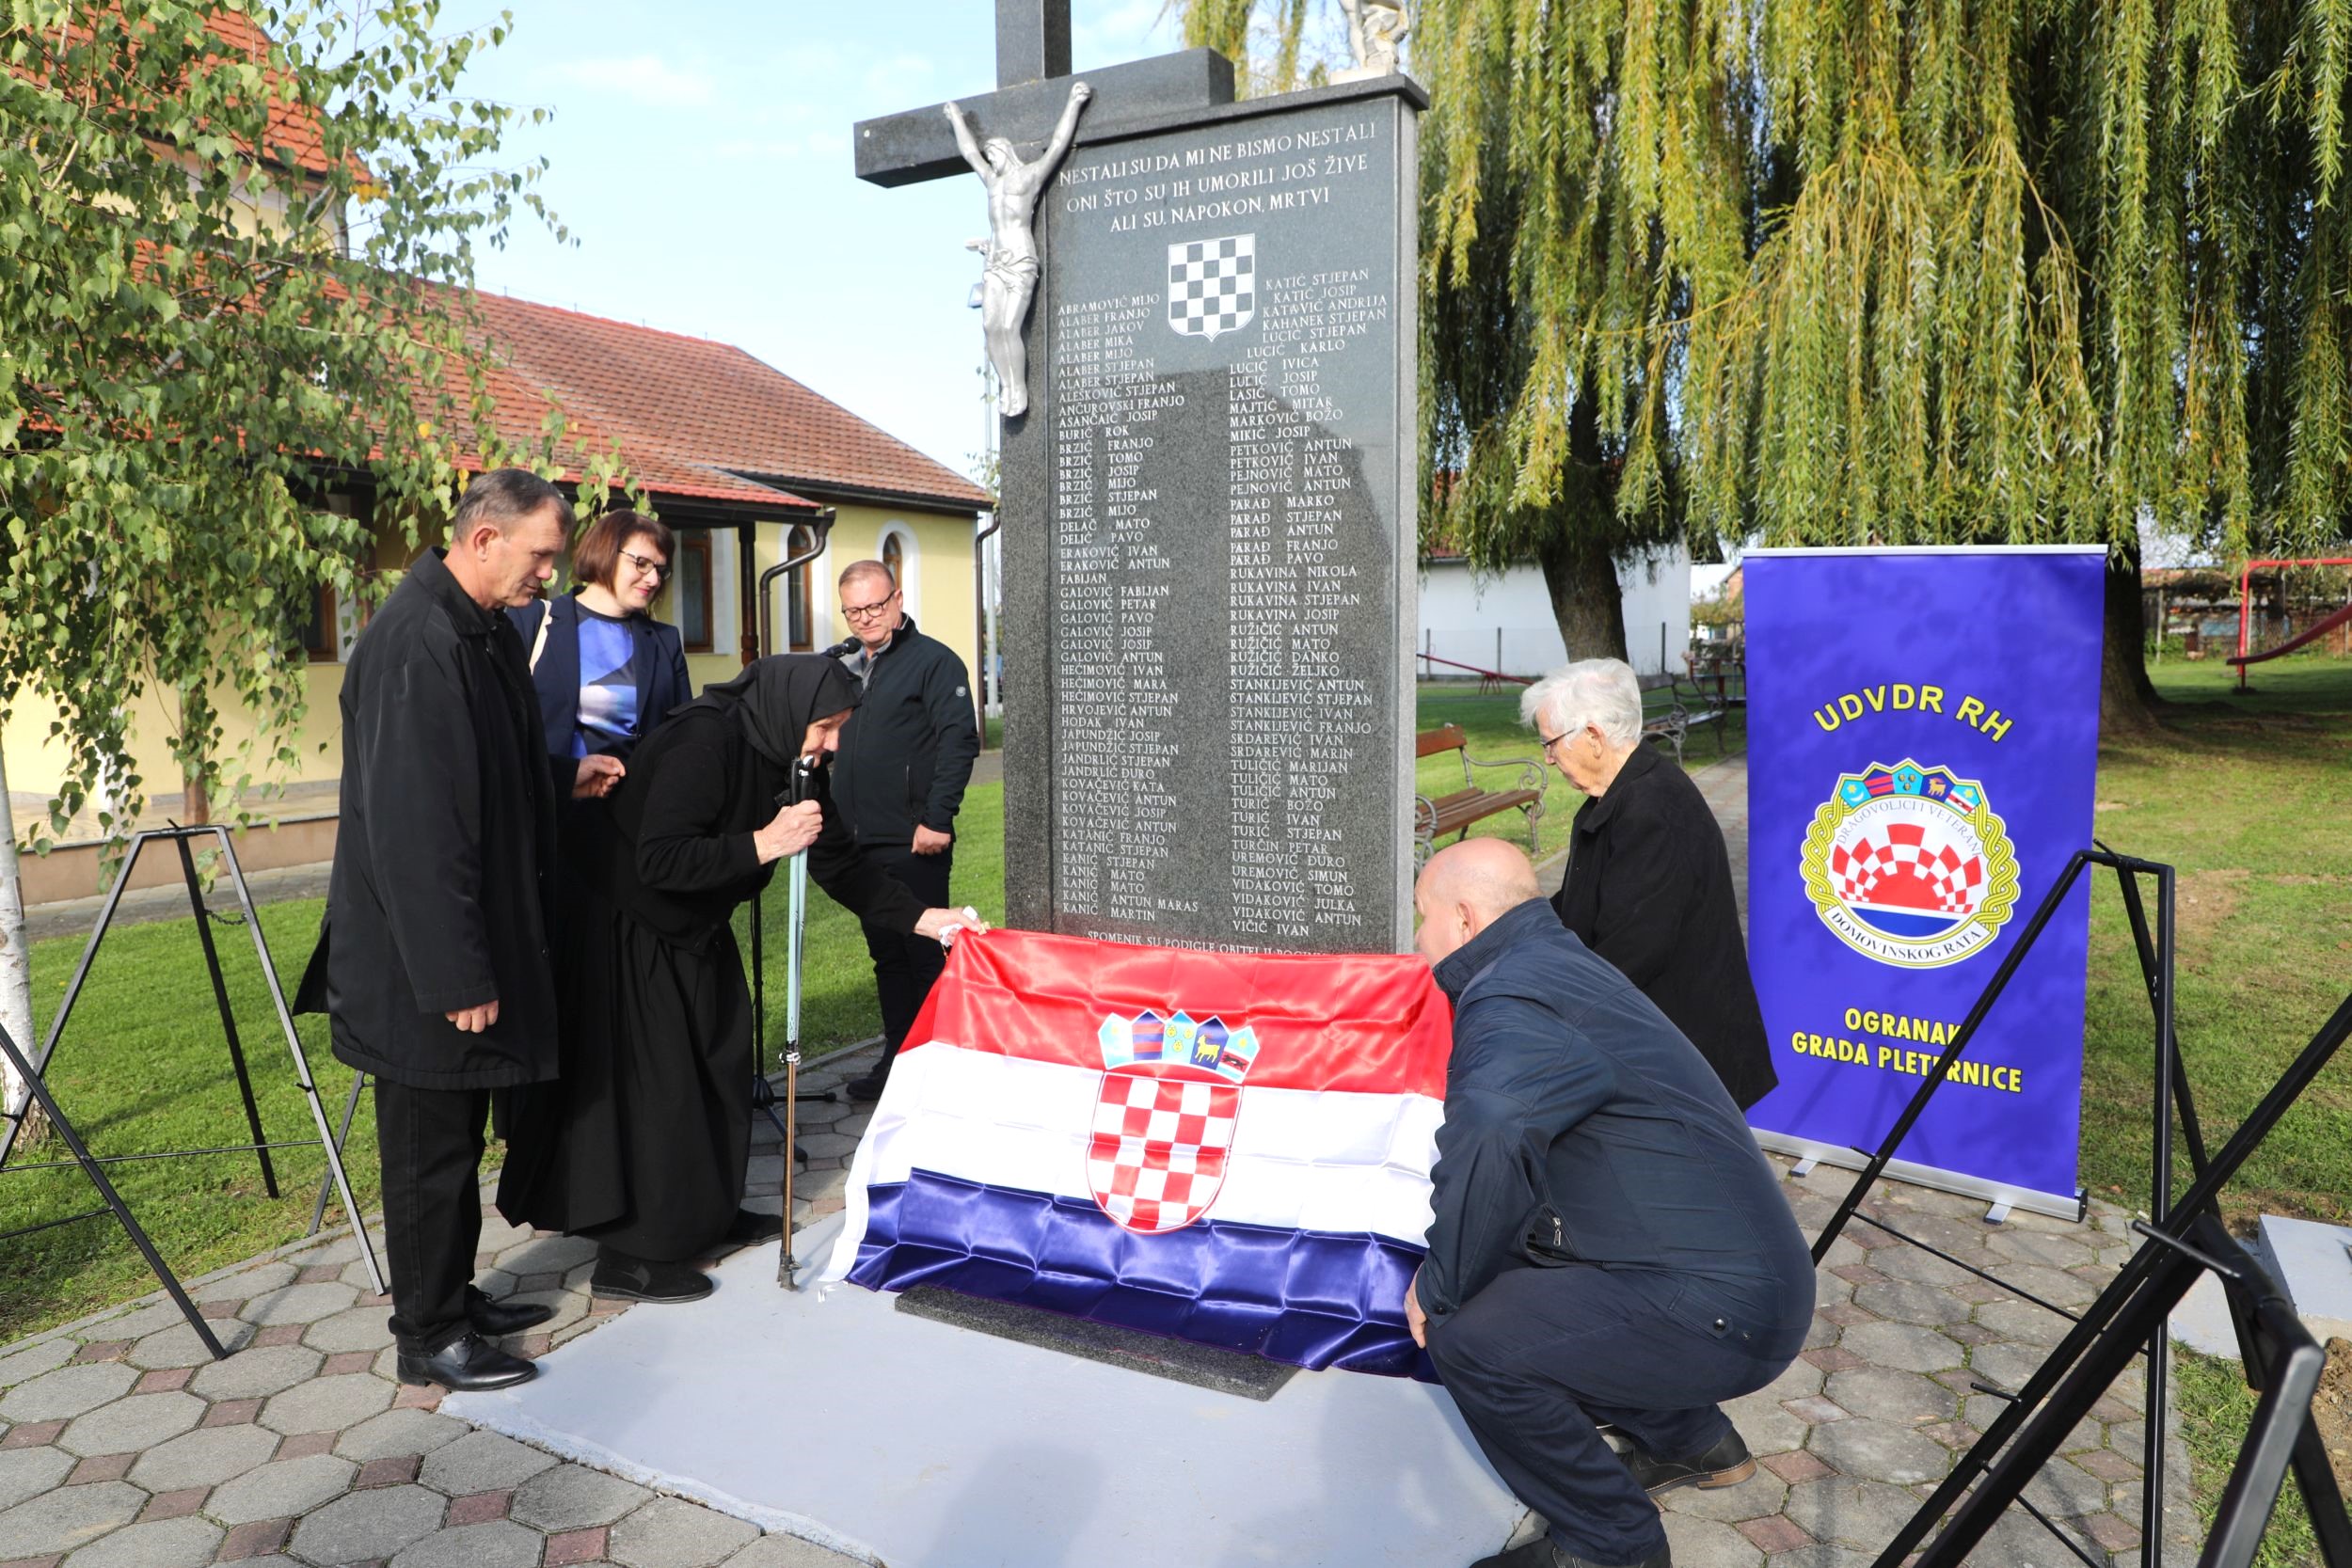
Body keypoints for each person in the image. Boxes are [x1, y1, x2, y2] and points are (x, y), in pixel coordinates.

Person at [497, 656, 975, 1303]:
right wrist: (763, 843)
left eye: (838, 729)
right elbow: (659, 856)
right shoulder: (705, 741)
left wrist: (922, 919)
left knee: (720, 1057)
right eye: (826, 727)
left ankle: (705, 1215)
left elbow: (838, 861)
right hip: (624, 918)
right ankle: (632, 1253)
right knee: (659, 1083)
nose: (832, 743)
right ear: (790, 711)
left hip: (690, 919)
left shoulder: (793, 760)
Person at [296, 468, 624, 1393]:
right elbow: (416, 830)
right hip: (418, 969)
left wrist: (562, 776)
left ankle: (453, 1293)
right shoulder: (417, 643)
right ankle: (428, 1330)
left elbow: (479, 766)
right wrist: (454, 975)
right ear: (485, 540)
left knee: (458, 1140)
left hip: (460, 951)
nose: (549, 576)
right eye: (542, 555)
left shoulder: (474, 629)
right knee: (429, 1152)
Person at [1407, 839, 1815, 1568]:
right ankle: (1695, 1442)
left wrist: (1437, 1285)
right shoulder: (1554, 962)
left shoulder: (1510, 994)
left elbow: (1491, 1137)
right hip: (1746, 1284)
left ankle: (1609, 1543)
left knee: (1471, 1341)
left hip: (1720, 1309)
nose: (1417, 938)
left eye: (1422, 917)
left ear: (1464, 918)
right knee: (1520, 1268)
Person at [1524, 658, 1778, 1108]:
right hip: (1660, 1048)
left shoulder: (1651, 810)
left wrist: (1537, 1000)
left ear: (1594, 737)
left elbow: (1627, 955)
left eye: (1551, 743)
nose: (1548, 757)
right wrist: (1517, 930)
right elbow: (1582, 903)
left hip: (1684, 1064)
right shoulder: (1617, 795)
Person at [824, 562, 980, 1104]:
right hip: (857, 842)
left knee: (923, 958)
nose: (865, 618)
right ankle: (897, 1064)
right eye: (854, 610)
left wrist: (938, 818)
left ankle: (939, 1072)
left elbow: (960, 739)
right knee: (887, 959)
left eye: (875, 605)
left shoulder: (933, 662)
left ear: (897, 599)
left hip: (915, 840)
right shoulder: (843, 667)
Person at [944, 78, 1090, 417]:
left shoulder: (1029, 178)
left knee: (1010, 326)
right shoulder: (991, 183)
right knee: (990, 327)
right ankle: (1006, 385)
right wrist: (955, 119)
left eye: (994, 155)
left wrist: (1074, 102)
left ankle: (1018, 386)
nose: (991, 162)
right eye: (989, 157)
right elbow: (968, 153)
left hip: (1021, 259)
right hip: (995, 261)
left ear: (1007, 153)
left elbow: (1057, 145)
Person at [510, 508, 691, 769]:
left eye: (660, 570)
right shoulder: (534, 620)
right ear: (605, 552)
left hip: (635, 805)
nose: (653, 579)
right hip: (553, 804)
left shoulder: (666, 642)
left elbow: (683, 737)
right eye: (641, 563)